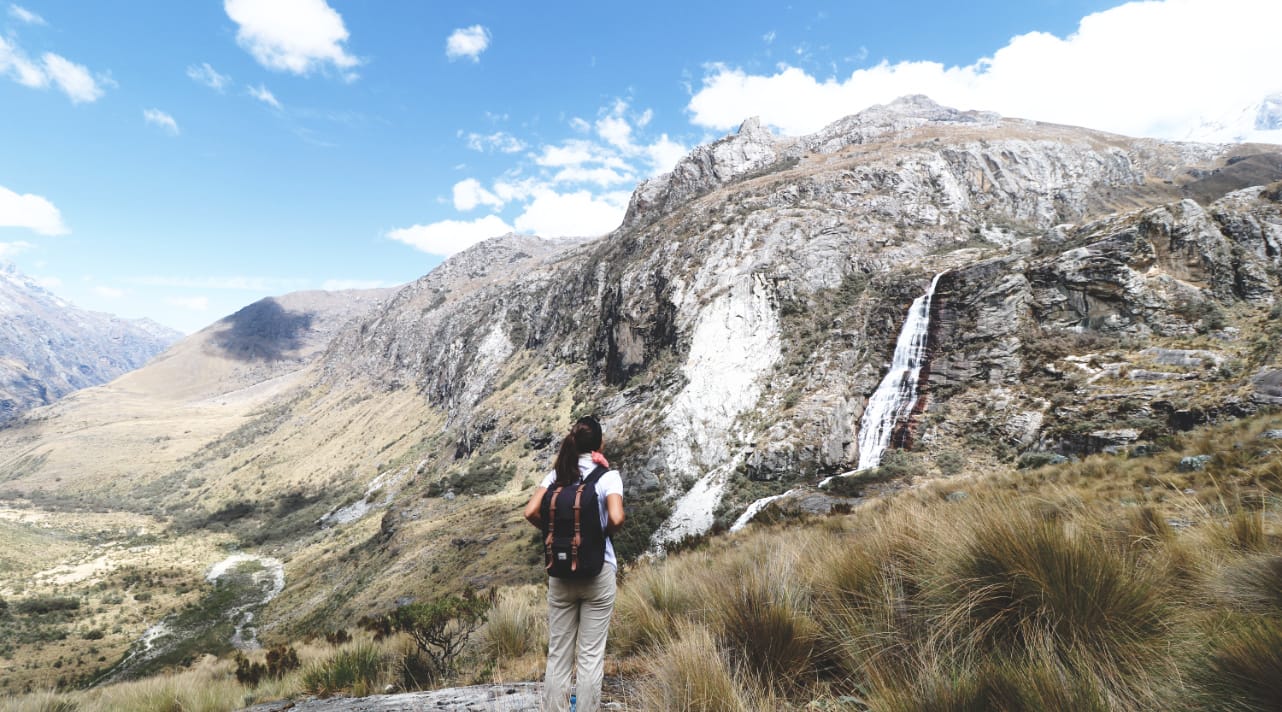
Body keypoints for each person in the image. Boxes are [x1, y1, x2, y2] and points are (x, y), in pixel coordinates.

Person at [524, 415, 625, 712]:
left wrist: (555, 534)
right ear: (600, 444)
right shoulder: (608, 476)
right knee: (591, 656)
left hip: (560, 574)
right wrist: (597, 535)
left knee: (558, 655)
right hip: (598, 571)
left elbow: (530, 511)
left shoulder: (556, 475)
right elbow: (617, 518)